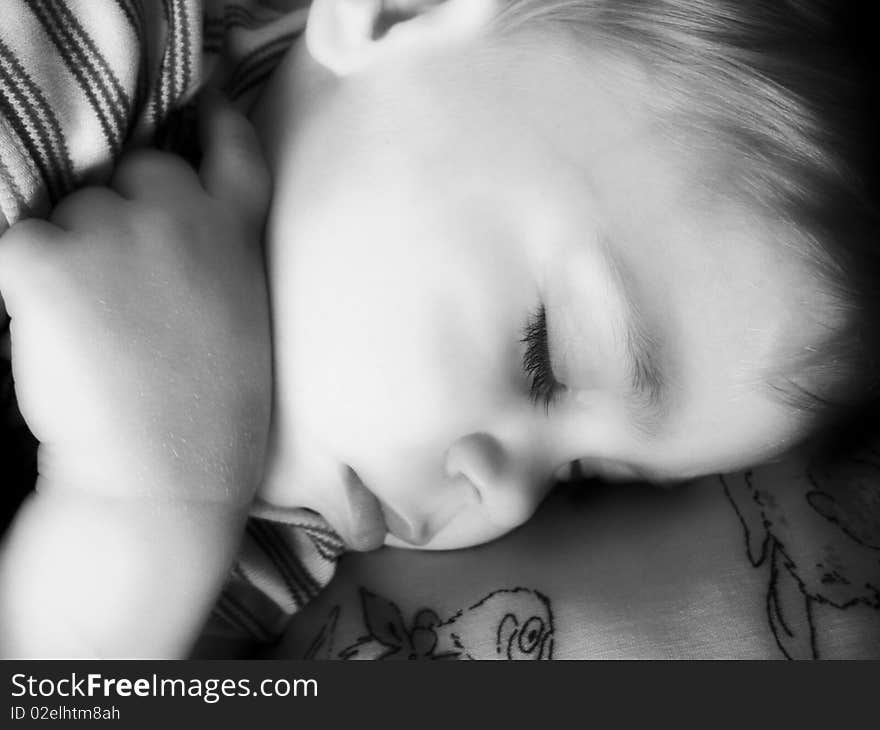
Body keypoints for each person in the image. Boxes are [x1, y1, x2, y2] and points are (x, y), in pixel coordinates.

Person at [0, 0, 877, 657]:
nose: (503, 499)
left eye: (577, 475)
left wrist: (144, 509)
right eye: (547, 356)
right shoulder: (94, 46)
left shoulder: (269, 560)